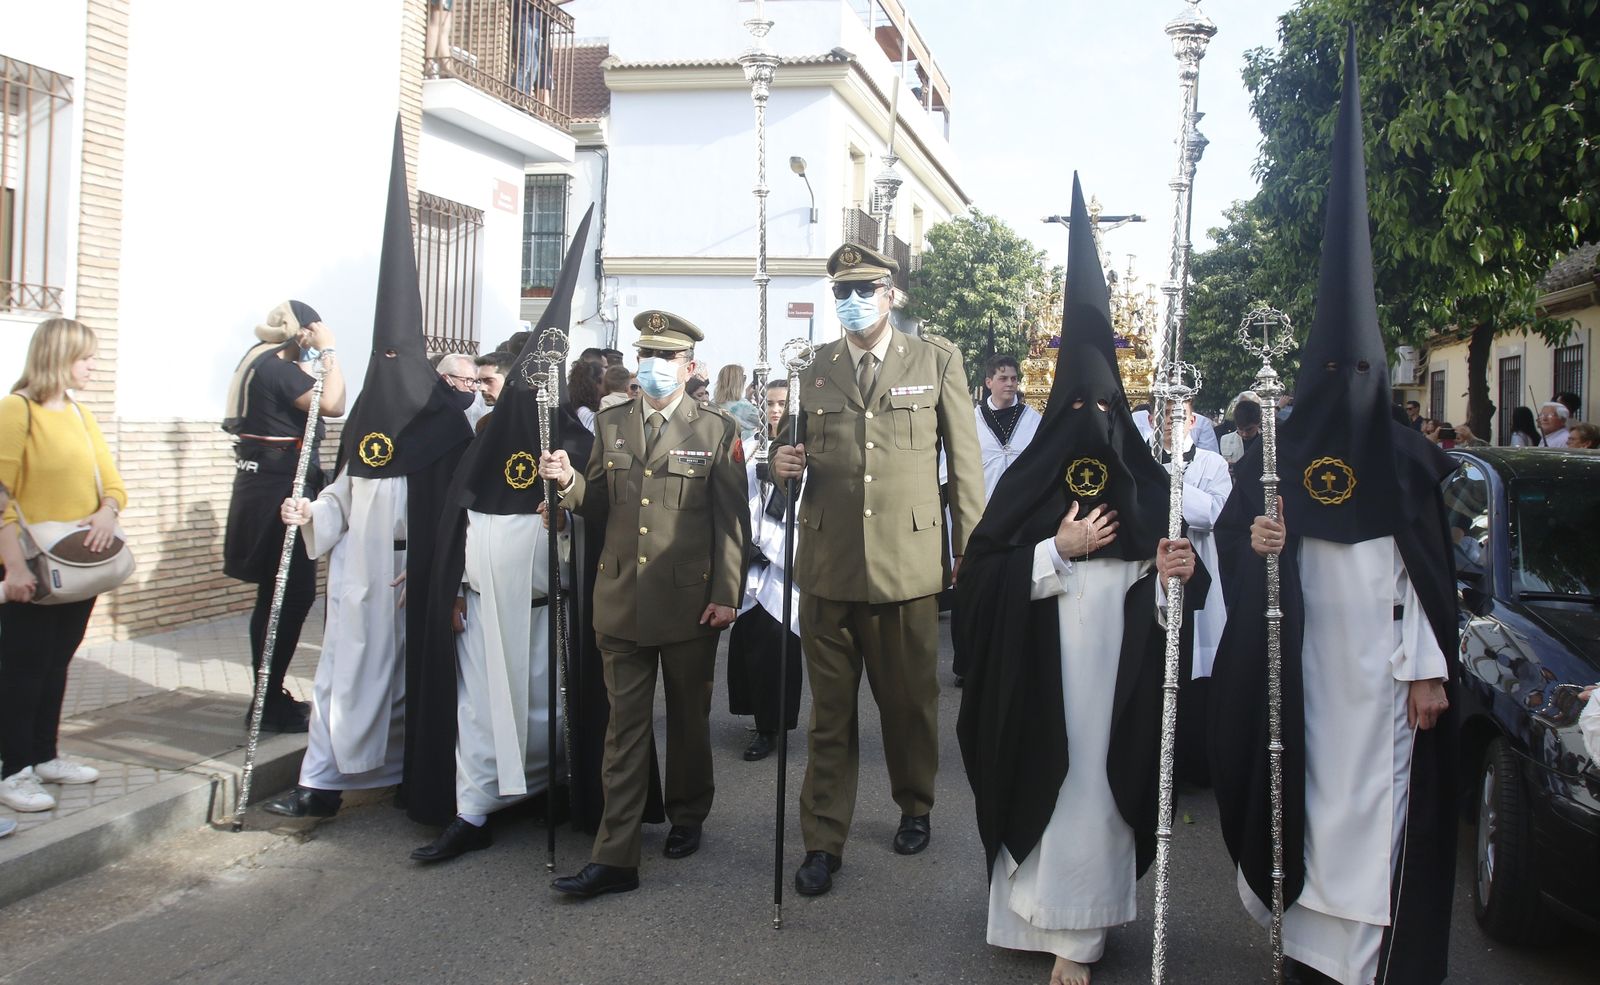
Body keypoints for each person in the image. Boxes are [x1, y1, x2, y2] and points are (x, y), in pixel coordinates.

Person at [1209, 42, 1458, 985]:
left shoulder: (1404, 457)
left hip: (1385, 676)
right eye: (1332, 370)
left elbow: (1428, 574)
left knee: (1376, 816)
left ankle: (1371, 957)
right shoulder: (1283, 450)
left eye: (1360, 371)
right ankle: (1307, 943)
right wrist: (1259, 538)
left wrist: (1429, 670)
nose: (1343, 387)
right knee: (1307, 800)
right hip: (1308, 667)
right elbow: (1239, 536)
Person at [954, 177, 1205, 985]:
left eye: (1108, 403)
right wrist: (1053, 549)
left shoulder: (1143, 477)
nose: (1094, 417)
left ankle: (1082, 936)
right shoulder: (1030, 479)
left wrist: (1170, 572)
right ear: (1056, 404)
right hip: (1040, 664)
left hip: (1113, 675)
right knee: (1039, 771)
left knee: (1095, 778)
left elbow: (1175, 580)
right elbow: (983, 577)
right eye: (1080, 402)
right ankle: (1028, 913)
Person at [264, 120, 475, 821]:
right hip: (358, 579)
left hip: (417, 577)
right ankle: (321, 784)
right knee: (344, 678)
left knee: (411, 684)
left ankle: (409, 778)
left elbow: (457, 506)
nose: (388, 372)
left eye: (398, 358)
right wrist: (312, 516)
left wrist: (442, 570)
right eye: (380, 358)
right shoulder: (362, 421)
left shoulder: (444, 425)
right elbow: (342, 493)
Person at [769, 242, 984, 897]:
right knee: (828, 716)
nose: (852, 301)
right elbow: (791, 450)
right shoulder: (815, 366)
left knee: (907, 705)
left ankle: (914, 802)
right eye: (841, 291)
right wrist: (779, 464)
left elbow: (964, 465)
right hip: (828, 563)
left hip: (905, 566)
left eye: (865, 288)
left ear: (891, 294)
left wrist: (969, 551)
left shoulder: (935, 359)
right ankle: (822, 840)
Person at [541, 309, 749, 898]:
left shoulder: (715, 429)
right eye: (646, 357)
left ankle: (687, 813)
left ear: (688, 367)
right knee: (623, 731)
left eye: (666, 358)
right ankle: (617, 856)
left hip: (689, 603)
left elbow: (732, 524)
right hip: (621, 600)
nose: (654, 367)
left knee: (687, 721)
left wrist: (727, 596)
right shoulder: (612, 425)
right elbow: (598, 502)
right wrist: (567, 484)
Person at [408, 223, 590, 860]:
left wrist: (566, 508)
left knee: (551, 715)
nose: (504, 393)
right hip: (484, 609)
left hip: (549, 613)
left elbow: (600, 518)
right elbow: (455, 519)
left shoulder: (578, 440)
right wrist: (454, 587)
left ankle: (557, 790)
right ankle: (475, 809)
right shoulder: (482, 441)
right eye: (500, 384)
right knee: (481, 717)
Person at [0, 318, 126, 815]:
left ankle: (44, 755)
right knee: (22, 668)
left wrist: (106, 511)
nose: (92, 366)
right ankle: (13, 771)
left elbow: (113, 482)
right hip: (30, 562)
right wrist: (13, 568)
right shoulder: (17, 410)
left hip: (77, 564)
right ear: (57, 358)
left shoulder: (79, 414)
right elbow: (1, 495)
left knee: (56, 662)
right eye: (85, 358)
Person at [222, 300, 347, 734]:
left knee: (276, 596)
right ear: (303, 331)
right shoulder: (277, 365)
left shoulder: (259, 360)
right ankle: (266, 700)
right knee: (289, 595)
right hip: (280, 487)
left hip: (265, 483)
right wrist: (330, 351)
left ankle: (267, 694)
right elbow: (333, 403)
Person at [726, 377, 803, 762]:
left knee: (778, 644)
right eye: (770, 403)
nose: (775, 410)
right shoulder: (751, 447)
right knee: (750, 643)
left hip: (786, 559)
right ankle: (757, 718)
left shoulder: (805, 450)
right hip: (751, 558)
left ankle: (774, 726)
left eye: (782, 403)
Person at [1160, 398, 1232, 790]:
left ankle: (1196, 766)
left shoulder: (1213, 463)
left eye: (1181, 417)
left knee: (1199, 671)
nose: (1174, 424)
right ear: (1156, 421)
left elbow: (1218, 514)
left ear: (1193, 420)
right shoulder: (1145, 462)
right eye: (1166, 417)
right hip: (1157, 576)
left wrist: (1172, 487)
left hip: (1202, 575)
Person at [974, 354, 1043, 500]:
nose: (1010, 383)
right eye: (1003, 378)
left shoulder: (1033, 419)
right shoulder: (973, 420)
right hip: (984, 501)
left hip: (1023, 502)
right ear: (989, 382)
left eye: (1013, 378)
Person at [438, 352, 488, 430]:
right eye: (468, 380)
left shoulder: (474, 411)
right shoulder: (422, 409)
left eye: (476, 381)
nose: (474, 388)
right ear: (446, 379)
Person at [713, 364, 764, 440]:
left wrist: (747, 398)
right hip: (742, 446)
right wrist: (758, 399)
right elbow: (765, 421)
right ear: (739, 382)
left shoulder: (713, 403)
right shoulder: (744, 406)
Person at [1219, 396, 1263, 468]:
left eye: (1249, 429)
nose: (1244, 434)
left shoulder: (1267, 442)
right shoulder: (1224, 440)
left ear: (1258, 423)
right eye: (1240, 429)